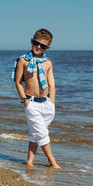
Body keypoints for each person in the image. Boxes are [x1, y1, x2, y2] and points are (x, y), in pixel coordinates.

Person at [11, 28, 60, 169]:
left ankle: (29, 162)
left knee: (35, 133)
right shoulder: (23, 60)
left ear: (48, 48)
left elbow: (52, 85)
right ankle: (52, 162)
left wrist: (52, 103)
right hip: (31, 103)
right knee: (42, 133)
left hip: (47, 103)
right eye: (36, 43)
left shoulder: (48, 63)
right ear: (32, 41)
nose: (38, 47)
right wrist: (25, 101)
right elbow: (18, 82)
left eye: (42, 46)